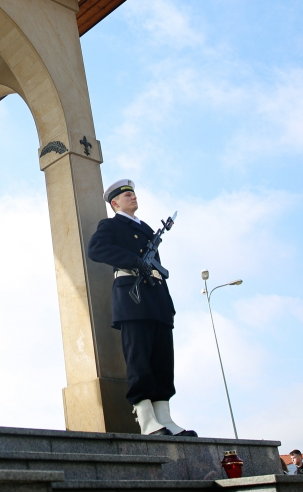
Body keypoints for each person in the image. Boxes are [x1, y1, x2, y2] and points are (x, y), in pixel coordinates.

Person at [87, 180, 194, 437]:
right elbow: (96, 249)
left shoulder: (146, 228)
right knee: (139, 358)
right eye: (127, 195)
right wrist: (134, 261)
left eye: (133, 193)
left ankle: (164, 418)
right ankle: (146, 420)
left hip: (156, 297)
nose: (133, 197)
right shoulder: (111, 225)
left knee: (162, 360)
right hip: (132, 297)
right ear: (115, 203)